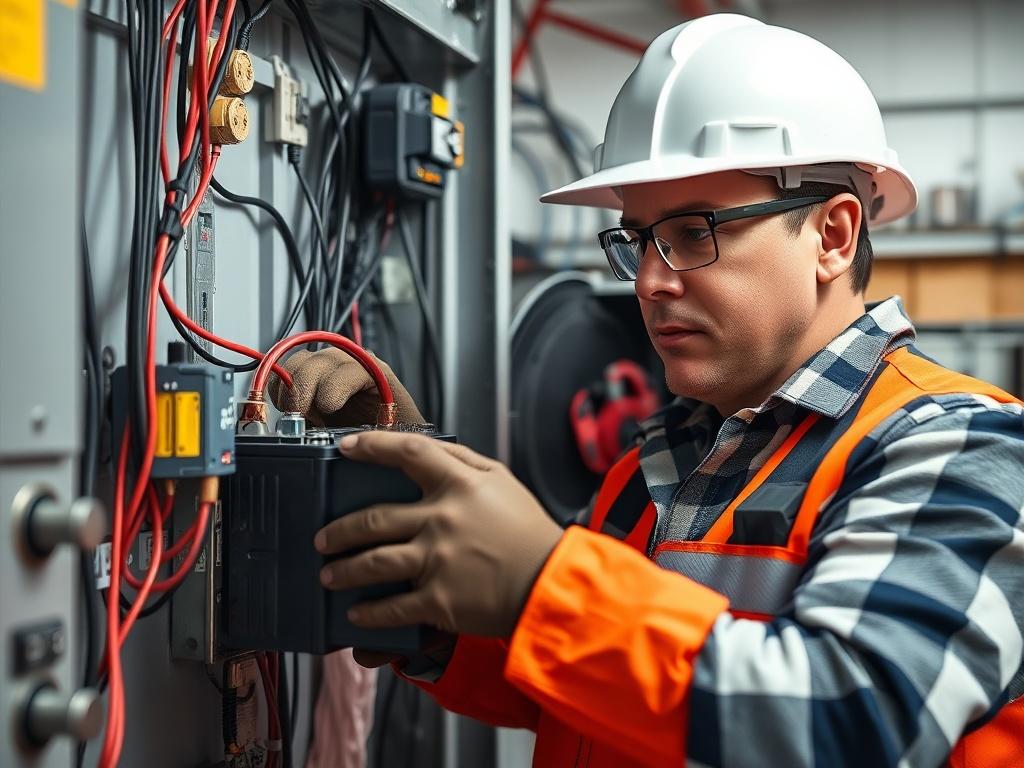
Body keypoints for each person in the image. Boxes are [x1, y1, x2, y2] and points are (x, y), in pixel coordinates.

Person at [270, 14, 1024, 767]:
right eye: (637, 239)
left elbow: (849, 724)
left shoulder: (957, 450)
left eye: (695, 233)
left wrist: (542, 584)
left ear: (833, 235)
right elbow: (587, 685)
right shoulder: (661, 462)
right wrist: (427, 567)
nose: (652, 280)